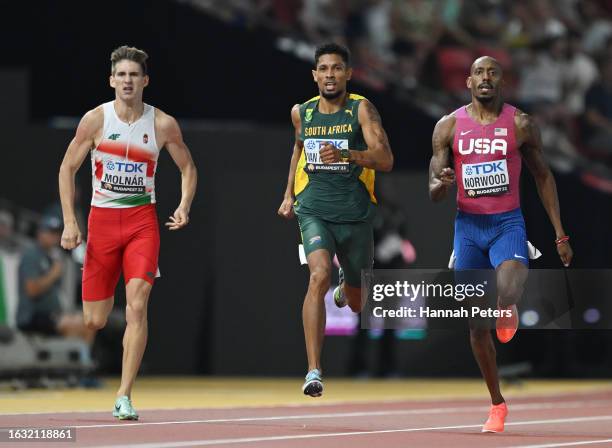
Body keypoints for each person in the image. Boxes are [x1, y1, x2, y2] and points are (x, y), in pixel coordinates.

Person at [429, 56, 573, 433]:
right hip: (468, 229)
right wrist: (441, 183)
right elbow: (433, 190)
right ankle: (497, 404)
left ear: (501, 81)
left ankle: (506, 304)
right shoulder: (447, 127)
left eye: (492, 72)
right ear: (468, 81)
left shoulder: (520, 123)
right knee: (476, 329)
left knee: (507, 287)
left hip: (507, 224)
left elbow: (543, 176)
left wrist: (560, 233)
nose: (486, 78)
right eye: (479, 72)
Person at [58, 46, 197, 420]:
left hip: (141, 225)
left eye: (134, 75)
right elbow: (67, 168)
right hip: (102, 225)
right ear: (111, 81)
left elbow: (187, 167)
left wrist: (183, 206)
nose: (127, 81)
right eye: (121, 75)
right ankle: (108, 337)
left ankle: (124, 395)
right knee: (95, 321)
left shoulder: (162, 124)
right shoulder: (95, 120)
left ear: (145, 80)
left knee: (138, 305)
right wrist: (71, 222)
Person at [278, 42, 394, 397]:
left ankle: (347, 286)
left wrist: (346, 153)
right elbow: (298, 149)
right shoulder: (303, 113)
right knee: (317, 276)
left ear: (348, 74)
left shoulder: (361, 109)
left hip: (356, 214)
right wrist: (288, 195)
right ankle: (314, 370)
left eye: (336, 68)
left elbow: (386, 159)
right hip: (314, 208)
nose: (330, 75)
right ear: (314, 75)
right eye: (323, 69)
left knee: (358, 302)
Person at [17, 214, 95, 344]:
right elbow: (31, 290)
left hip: (52, 314)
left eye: (56, 233)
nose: (54, 237)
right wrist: (53, 274)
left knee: (90, 323)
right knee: (75, 326)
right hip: (33, 315)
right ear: (40, 233)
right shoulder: (31, 255)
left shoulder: (52, 256)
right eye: (50, 232)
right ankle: (76, 360)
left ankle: (81, 359)